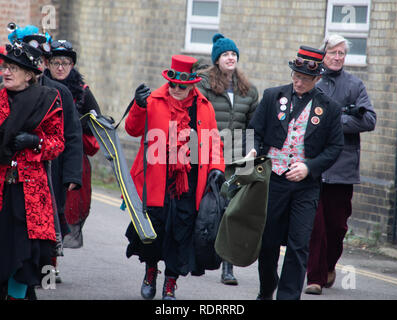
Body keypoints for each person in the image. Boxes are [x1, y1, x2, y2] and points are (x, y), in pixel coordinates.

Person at [124, 54, 225, 300]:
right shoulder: (153, 101)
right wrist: (138, 105)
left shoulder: (204, 107)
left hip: (189, 183)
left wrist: (217, 168)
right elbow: (131, 129)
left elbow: (213, 143)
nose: (176, 89)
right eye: (173, 84)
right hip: (155, 180)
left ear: (192, 84)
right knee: (152, 234)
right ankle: (150, 272)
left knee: (180, 236)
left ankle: (170, 284)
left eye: (182, 86)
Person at [247, 45, 344, 300]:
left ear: (317, 78)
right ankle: (267, 288)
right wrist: (252, 152)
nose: (298, 82)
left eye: (305, 78)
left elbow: (335, 147)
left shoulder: (330, 108)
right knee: (267, 243)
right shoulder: (271, 96)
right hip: (273, 180)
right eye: (295, 76)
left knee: (299, 244)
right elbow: (253, 131)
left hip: (305, 187)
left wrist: (309, 167)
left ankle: (288, 296)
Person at [304, 34, 376, 295]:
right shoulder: (313, 82)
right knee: (315, 227)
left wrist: (336, 122)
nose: (337, 57)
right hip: (313, 167)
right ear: (323, 54)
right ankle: (314, 276)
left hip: (343, 168)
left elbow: (369, 120)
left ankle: (328, 265)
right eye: (333, 52)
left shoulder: (355, 85)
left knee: (336, 228)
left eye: (341, 53)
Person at [16, 27, 84, 289]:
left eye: (39, 60)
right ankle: (21, 275)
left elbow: (72, 136)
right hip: (17, 173)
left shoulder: (60, 93)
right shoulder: (8, 91)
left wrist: (72, 175)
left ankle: (46, 277)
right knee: (20, 224)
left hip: (51, 172)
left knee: (48, 228)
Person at [0, 42, 64, 300]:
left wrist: (35, 142)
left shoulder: (46, 100)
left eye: (13, 68)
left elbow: (58, 142)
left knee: (24, 256)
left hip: (29, 192)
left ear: (29, 75)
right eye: (5, 66)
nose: (6, 72)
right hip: (2, 188)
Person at [197, 33, 259, 285]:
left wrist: (252, 150)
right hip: (207, 157)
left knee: (230, 213)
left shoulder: (249, 90)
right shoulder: (204, 84)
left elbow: (253, 126)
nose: (230, 57)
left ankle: (227, 268)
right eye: (225, 54)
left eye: (233, 54)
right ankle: (197, 257)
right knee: (204, 210)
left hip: (236, 160)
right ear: (216, 60)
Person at [45, 39, 101, 249]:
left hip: (72, 157)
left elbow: (97, 120)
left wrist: (80, 123)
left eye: (65, 63)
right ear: (48, 64)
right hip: (47, 155)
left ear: (72, 66)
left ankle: (54, 256)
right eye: (56, 62)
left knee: (66, 208)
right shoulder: (41, 86)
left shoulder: (83, 91)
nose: (60, 68)